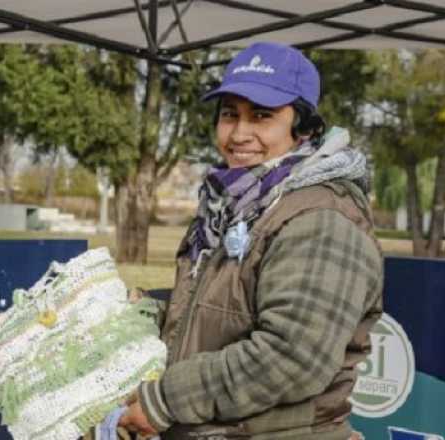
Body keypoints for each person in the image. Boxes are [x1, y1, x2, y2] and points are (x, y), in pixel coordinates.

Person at [119, 42, 384, 439]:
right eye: (230, 115)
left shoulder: (322, 218)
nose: (240, 133)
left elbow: (292, 357)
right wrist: (142, 316)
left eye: (262, 116)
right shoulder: (234, 205)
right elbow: (223, 315)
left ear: (305, 128)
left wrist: (164, 402)